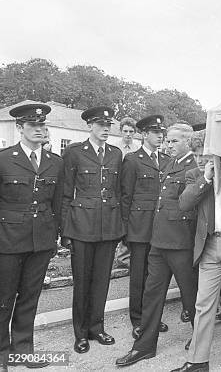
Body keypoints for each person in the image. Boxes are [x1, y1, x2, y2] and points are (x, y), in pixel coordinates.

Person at [115, 123, 198, 367]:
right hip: (159, 240)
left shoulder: (194, 166)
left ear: (187, 142)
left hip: (181, 241)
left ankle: (200, 339)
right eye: (167, 141)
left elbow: (191, 205)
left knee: (191, 295)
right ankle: (143, 346)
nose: (167, 144)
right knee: (151, 295)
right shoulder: (170, 163)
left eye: (173, 141)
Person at [172, 132, 221, 372]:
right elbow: (184, 203)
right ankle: (197, 359)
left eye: (204, 154)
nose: (200, 159)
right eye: (196, 155)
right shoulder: (195, 175)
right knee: (203, 305)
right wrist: (205, 177)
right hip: (209, 245)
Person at [0, 104, 63, 370]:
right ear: (20, 128)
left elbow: (57, 203)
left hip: (41, 240)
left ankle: (23, 350)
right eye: (33, 126)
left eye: (42, 126)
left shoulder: (55, 162)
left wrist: (57, 237)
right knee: (3, 298)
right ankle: (2, 354)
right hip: (8, 240)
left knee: (29, 297)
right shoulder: (4, 159)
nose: (39, 130)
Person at [60, 106, 123, 354]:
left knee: (101, 281)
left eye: (109, 126)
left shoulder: (116, 154)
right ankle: (81, 332)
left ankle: (97, 327)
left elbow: (117, 192)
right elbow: (66, 194)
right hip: (81, 226)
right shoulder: (75, 152)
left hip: (108, 227)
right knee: (83, 281)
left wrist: (120, 228)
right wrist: (64, 231)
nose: (105, 129)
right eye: (100, 125)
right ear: (90, 126)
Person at [120, 115, 171, 340]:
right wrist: (124, 231)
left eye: (161, 132)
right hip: (139, 228)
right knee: (139, 277)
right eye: (155, 132)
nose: (160, 136)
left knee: (156, 277)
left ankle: (153, 317)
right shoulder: (132, 160)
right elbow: (125, 197)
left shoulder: (168, 160)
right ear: (144, 134)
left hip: (161, 228)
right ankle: (138, 319)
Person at [114, 117, 139, 268]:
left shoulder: (137, 149)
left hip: (132, 189)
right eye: (125, 131)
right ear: (120, 131)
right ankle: (119, 257)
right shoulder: (115, 149)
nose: (128, 134)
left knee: (129, 221)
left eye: (131, 131)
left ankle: (126, 257)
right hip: (118, 188)